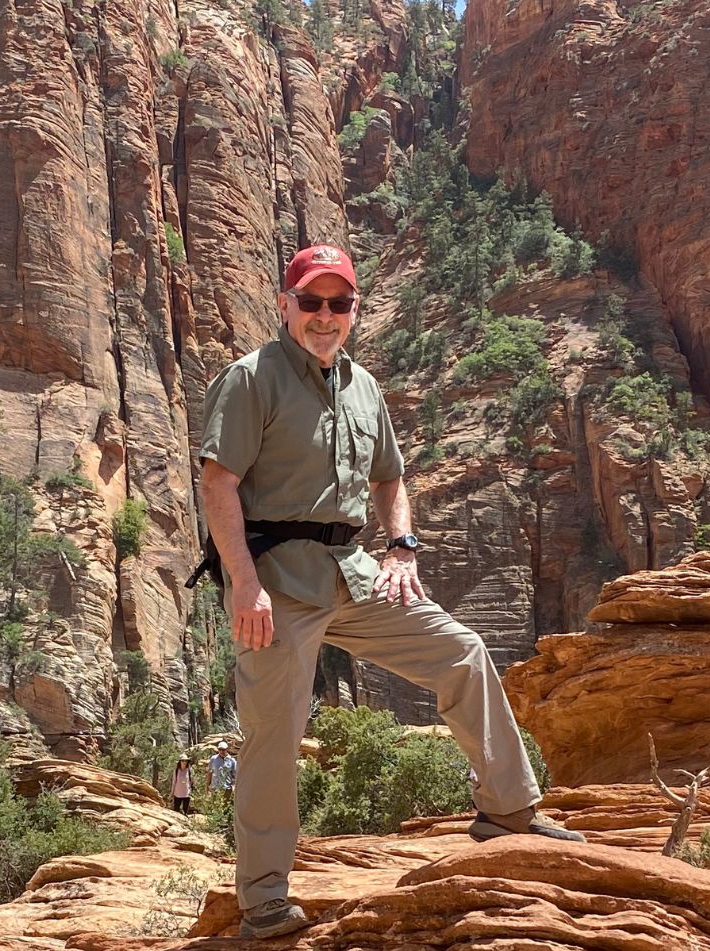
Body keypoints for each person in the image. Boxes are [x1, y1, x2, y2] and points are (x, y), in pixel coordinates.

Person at [194, 244, 584, 940]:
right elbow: (217, 481)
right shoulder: (251, 379)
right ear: (284, 305)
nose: (323, 316)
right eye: (310, 301)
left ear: (354, 312)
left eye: (338, 304)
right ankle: (262, 901)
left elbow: (390, 478)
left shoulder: (364, 386)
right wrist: (243, 584)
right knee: (274, 735)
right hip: (277, 579)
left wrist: (400, 544)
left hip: (352, 567)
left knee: (462, 651)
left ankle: (508, 807)